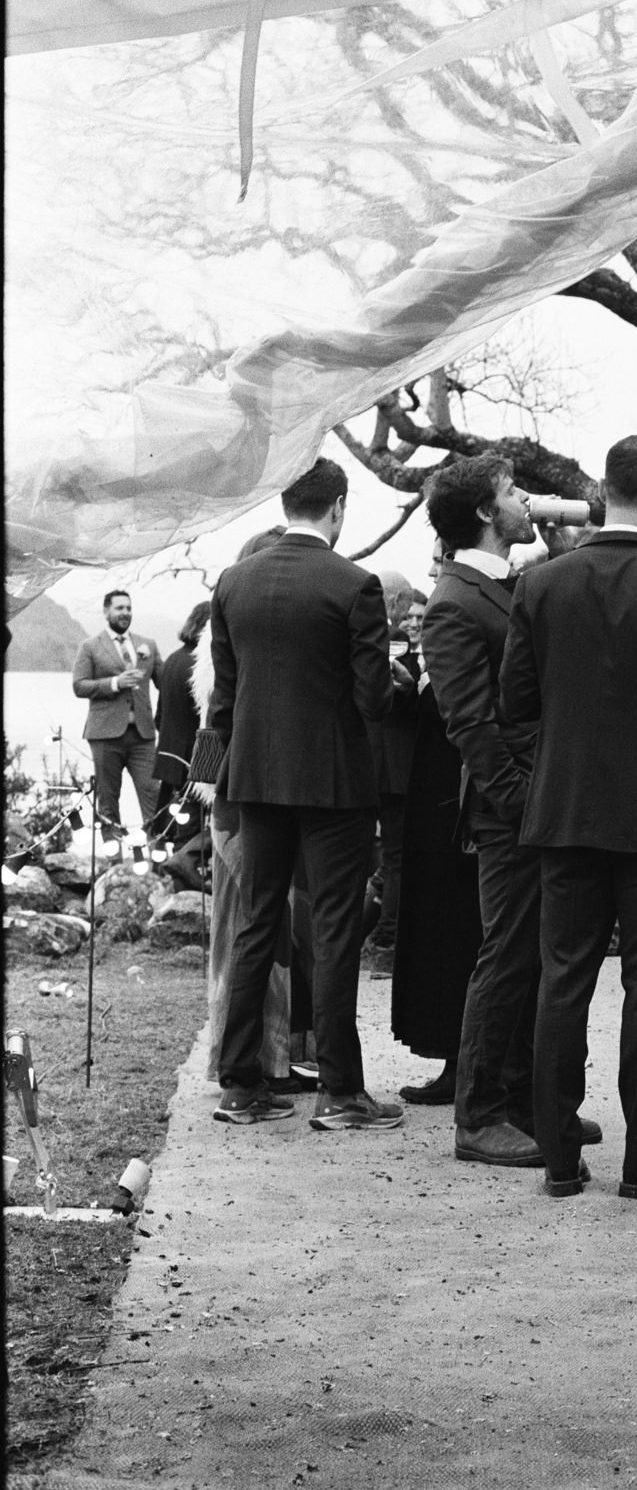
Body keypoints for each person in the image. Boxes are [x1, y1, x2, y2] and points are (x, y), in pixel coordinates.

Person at [501, 435, 637, 1199]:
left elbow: (514, 709)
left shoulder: (540, 585)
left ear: (601, 490)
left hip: (564, 814)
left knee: (561, 981)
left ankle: (559, 1156)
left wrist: (553, 774)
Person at [208, 458, 404, 1130]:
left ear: (285, 501)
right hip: (333, 783)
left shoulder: (233, 582)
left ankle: (239, 1086)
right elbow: (373, 700)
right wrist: (392, 679)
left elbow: (224, 703)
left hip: (255, 779)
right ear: (338, 506)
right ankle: (340, 1093)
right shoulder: (354, 584)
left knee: (257, 924)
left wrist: (214, 783)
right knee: (334, 930)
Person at [420, 453, 600, 1167]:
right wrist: (525, 803)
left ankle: (528, 1103)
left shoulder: (510, 583)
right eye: (512, 492)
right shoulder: (453, 601)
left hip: (543, 800)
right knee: (504, 958)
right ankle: (479, 1116)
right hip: (509, 811)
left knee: (534, 957)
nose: (529, 500)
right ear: (484, 513)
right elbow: (470, 727)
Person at [191, 529, 298, 1089]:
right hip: (240, 803)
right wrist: (217, 796)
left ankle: (268, 1057)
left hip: (238, 797)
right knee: (248, 932)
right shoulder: (229, 647)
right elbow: (215, 726)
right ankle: (243, 1062)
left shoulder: (230, 638)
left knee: (263, 931)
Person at [391, 579, 483, 1105]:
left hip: (454, 811)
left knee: (458, 934)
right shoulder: (426, 666)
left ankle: (464, 1061)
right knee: (441, 934)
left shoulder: (460, 645)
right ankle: (454, 1058)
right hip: (430, 810)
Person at [360, 570, 421, 977]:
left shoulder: (358, 636)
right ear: (397, 601)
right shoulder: (398, 643)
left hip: (364, 763)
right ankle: (386, 941)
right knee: (397, 858)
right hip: (397, 766)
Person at [71, 590, 164, 837]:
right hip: (105, 735)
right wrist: (115, 683)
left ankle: (156, 852)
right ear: (106, 612)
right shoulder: (90, 646)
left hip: (143, 735)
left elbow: (166, 682)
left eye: (128, 608)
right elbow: (79, 686)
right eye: (119, 608)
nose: (125, 613)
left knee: (153, 793)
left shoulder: (148, 645)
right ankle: (114, 854)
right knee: (108, 799)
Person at [150, 599, 210, 860]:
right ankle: (183, 872)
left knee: (170, 827)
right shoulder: (201, 665)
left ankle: (167, 868)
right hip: (191, 757)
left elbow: (159, 716)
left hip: (168, 754)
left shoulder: (173, 659)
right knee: (189, 828)